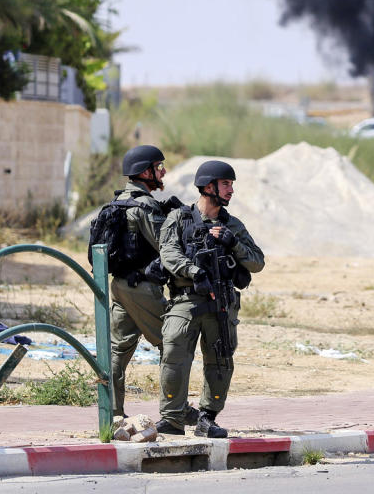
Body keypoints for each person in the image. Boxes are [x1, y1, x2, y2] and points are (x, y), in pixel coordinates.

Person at [156, 160, 264, 437]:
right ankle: (172, 418)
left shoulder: (232, 225)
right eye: (226, 184)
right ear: (208, 187)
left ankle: (207, 418)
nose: (231, 190)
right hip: (186, 300)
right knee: (173, 354)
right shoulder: (179, 219)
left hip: (221, 304)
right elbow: (168, 253)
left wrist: (233, 243)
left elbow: (257, 262)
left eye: (231, 185)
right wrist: (192, 271)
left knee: (220, 360)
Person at [108, 144, 198, 424]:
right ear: (143, 172)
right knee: (174, 343)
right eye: (158, 167)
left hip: (120, 286)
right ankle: (176, 410)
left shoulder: (118, 201)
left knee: (117, 350)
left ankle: (110, 412)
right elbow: (167, 247)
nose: (163, 171)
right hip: (143, 288)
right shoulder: (145, 205)